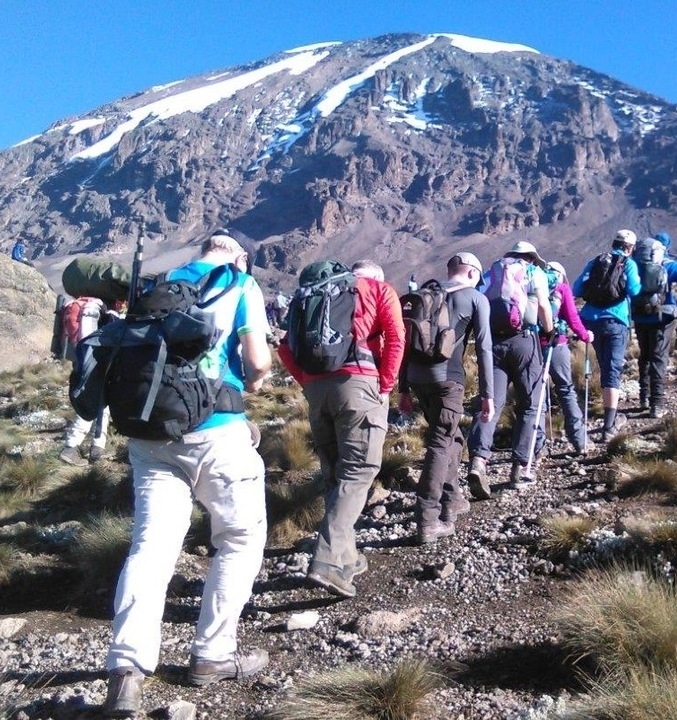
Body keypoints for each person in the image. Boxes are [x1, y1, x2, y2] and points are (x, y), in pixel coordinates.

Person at [104, 229, 272, 718]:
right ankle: (213, 654)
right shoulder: (240, 283)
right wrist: (256, 382)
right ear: (238, 256)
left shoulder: (159, 282)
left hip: (151, 436)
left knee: (151, 547)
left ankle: (126, 672)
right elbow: (257, 360)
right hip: (217, 432)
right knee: (239, 538)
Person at [277, 259, 405, 598]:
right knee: (359, 471)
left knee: (335, 473)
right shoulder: (379, 290)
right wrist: (385, 385)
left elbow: (285, 347)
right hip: (359, 383)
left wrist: (306, 382)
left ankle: (347, 557)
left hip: (317, 389)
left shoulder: (310, 297)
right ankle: (328, 561)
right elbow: (396, 337)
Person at [399, 252, 495, 544]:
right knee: (441, 443)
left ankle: (452, 499)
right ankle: (428, 518)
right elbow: (484, 348)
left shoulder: (425, 295)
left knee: (451, 437)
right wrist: (488, 395)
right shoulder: (476, 298)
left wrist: (403, 389)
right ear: (472, 273)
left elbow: (405, 343)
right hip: (447, 380)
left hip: (417, 379)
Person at [466, 241, 554, 494]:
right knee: (530, 404)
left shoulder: (492, 271)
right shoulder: (533, 272)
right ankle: (520, 466)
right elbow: (543, 305)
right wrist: (549, 333)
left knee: (490, 403)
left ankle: (478, 460)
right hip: (524, 341)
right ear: (531, 257)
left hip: (492, 343)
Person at [573, 229, 642, 443]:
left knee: (605, 366)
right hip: (615, 321)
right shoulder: (628, 264)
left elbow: (577, 288)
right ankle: (609, 426)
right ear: (630, 247)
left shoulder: (596, 261)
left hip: (590, 321)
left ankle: (605, 416)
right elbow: (634, 290)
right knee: (612, 370)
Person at [631, 232, 677, 419]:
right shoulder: (670, 265)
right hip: (662, 318)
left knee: (645, 355)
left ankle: (644, 397)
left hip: (640, 316)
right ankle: (656, 405)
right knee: (659, 357)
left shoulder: (635, 264)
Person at [60, 298, 122, 466]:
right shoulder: (111, 316)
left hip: (87, 362)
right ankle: (71, 448)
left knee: (99, 405)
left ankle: (97, 448)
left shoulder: (97, 312)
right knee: (93, 405)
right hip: (99, 366)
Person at [540, 261, 593, 455]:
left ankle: (536, 446)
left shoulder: (533, 285)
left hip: (534, 346)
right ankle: (579, 440)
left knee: (537, 394)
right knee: (566, 390)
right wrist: (585, 335)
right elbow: (572, 318)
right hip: (557, 345)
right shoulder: (562, 288)